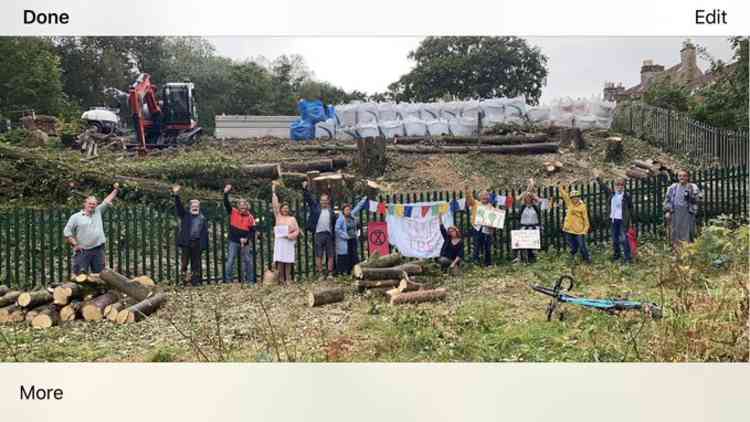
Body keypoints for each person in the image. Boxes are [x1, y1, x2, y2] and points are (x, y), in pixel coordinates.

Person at [63, 183, 120, 274]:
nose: (92, 205)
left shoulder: (98, 212)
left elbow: (107, 200)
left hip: (98, 250)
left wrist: (116, 190)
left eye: (94, 204)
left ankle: (100, 289)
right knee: (80, 275)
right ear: (85, 204)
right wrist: (75, 244)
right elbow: (67, 232)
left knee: (100, 275)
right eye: (90, 203)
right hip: (82, 251)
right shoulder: (76, 217)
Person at [173, 185, 208, 286]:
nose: (195, 207)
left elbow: (205, 233)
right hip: (186, 243)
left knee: (196, 264)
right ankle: (183, 281)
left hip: (197, 243)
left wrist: (204, 245)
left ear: (199, 207)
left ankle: (195, 281)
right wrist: (176, 195)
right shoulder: (185, 215)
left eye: (197, 205)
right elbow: (179, 207)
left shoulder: (202, 218)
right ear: (190, 206)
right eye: (193, 205)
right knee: (184, 263)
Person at [595, 174, 634, 263]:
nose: (619, 187)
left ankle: (628, 258)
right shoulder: (611, 194)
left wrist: (631, 221)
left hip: (622, 221)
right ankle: (617, 255)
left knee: (624, 239)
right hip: (613, 220)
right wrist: (598, 178)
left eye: (621, 185)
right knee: (615, 240)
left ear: (624, 186)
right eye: (617, 184)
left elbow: (631, 208)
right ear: (614, 186)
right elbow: (604, 187)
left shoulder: (626, 196)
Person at [223, 184, 257, 284]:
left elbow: (252, 231)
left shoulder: (250, 217)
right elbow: (226, 203)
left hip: (245, 243)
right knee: (230, 261)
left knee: (248, 261)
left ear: (247, 206)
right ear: (238, 206)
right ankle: (228, 281)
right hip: (233, 241)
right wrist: (226, 193)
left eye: (244, 205)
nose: (242, 206)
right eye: (240, 205)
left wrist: (246, 239)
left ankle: (250, 281)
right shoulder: (233, 212)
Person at [302, 181, 335, 280]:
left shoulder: (330, 210)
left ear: (328, 201)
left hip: (329, 235)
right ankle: (320, 274)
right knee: (318, 255)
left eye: (325, 200)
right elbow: (309, 199)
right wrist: (304, 189)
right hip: (318, 235)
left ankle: (330, 274)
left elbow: (330, 197)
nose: (324, 202)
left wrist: (329, 188)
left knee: (330, 255)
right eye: (322, 200)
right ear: (320, 201)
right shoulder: (315, 208)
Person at [664, 169, 701, 251]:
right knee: (675, 231)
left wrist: (691, 197)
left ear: (688, 177)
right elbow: (668, 200)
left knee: (688, 231)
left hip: (688, 212)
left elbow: (698, 199)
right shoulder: (673, 187)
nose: (682, 177)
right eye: (680, 176)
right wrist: (667, 211)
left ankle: (687, 250)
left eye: (684, 176)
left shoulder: (692, 187)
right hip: (675, 212)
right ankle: (676, 250)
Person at [272, 181, 300, 284]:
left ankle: (288, 278)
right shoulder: (278, 217)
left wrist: (291, 236)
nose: (285, 210)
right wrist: (274, 191)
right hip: (280, 241)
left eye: (287, 208)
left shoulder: (292, 218)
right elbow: (275, 205)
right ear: (281, 209)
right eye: (283, 208)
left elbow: (297, 230)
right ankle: (281, 279)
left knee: (288, 260)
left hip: (288, 241)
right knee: (280, 260)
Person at [334, 197, 368, 275]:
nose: (348, 211)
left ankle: (355, 271)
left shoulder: (352, 216)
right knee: (345, 256)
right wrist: (345, 236)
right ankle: (345, 272)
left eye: (349, 210)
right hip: (345, 240)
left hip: (353, 239)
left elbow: (358, 206)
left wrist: (364, 199)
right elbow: (337, 229)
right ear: (343, 211)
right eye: (346, 210)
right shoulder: (341, 219)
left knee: (354, 255)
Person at [559, 183, 591, 264]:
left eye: (576, 197)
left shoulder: (582, 206)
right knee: (573, 247)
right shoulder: (569, 203)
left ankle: (587, 260)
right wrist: (560, 184)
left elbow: (586, 218)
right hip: (568, 230)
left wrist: (585, 229)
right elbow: (563, 194)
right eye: (572, 197)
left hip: (579, 230)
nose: (574, 199)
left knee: (582, 246)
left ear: (579, 197)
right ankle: (572, 260)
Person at [514, 178, 543, 264]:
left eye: (530, 197)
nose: (528, 198)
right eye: (527, 197)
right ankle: (523, 260)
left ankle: (534, 260)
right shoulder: (522, 207)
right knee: (523, 245)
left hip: (534, 228)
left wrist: (533, 194)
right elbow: (517, 200)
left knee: (534, 245)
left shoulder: (536, 206)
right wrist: (525, 192)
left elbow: (541, 202)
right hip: (524, 228)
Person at [465, 189, 495, 266]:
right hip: (477, 228)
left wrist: (492, 227)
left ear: (489, 197)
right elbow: (469, 199)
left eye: (486, 195)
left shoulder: (491, 206)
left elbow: (494, 219)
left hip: (487, 229)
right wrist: (467, 190)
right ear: (480, 197)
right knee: (477, 246)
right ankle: (476, 263)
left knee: (487, 247)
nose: (485, 196)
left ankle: (488, 263)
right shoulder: (476, 203)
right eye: (483, 195)